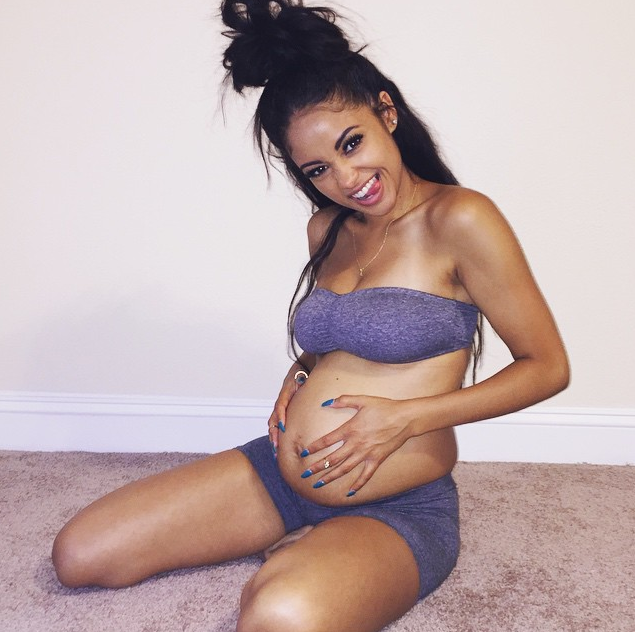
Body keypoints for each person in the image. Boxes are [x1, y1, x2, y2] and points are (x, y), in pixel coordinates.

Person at [51, 1, 570, 631]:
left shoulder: (459, 219)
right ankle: (306, 544)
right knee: (79, 554)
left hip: (398, 504)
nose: (347, 179)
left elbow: (547, 367)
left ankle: (326, 559)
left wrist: (405, 418)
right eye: (319, 168)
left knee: (279, 615)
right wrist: (302, 371)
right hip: (281, 475)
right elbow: (346, 338)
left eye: (352, 143)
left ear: (386, 112)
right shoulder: (326, 229)